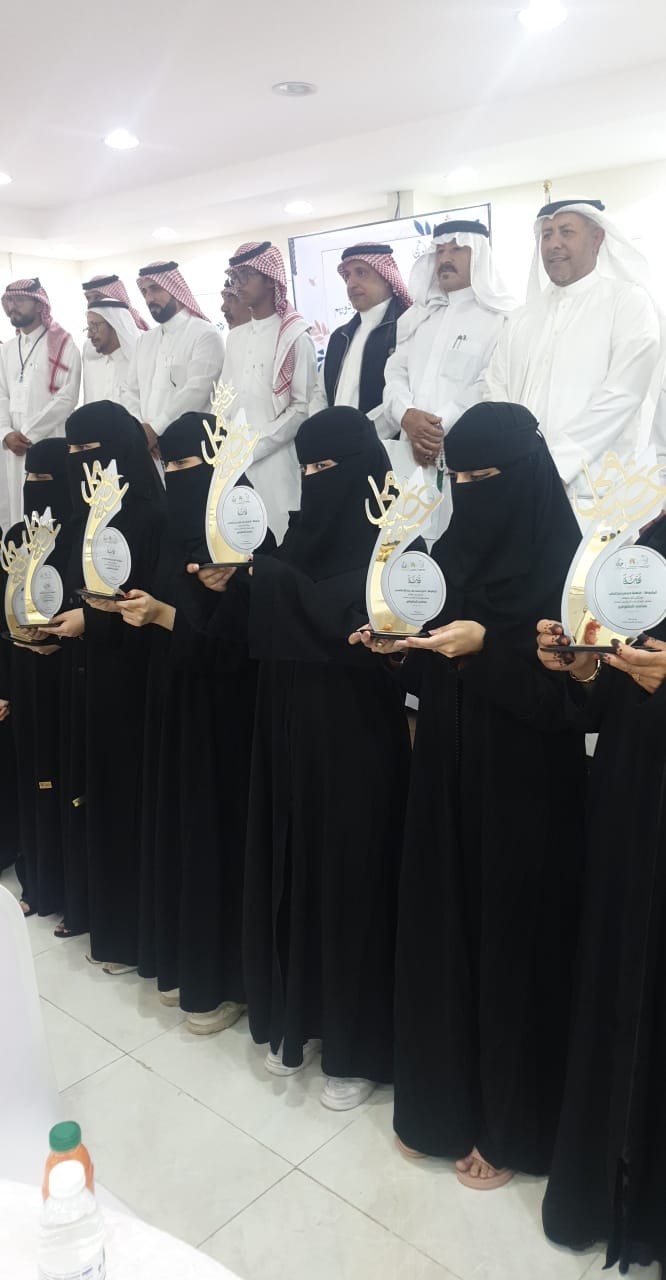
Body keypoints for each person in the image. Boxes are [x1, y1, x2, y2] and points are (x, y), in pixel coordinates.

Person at [355, 402, 587, 1183]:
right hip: (447, 771)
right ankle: (440, 1105)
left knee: (512, 942)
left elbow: (572, 706)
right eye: (462, 478)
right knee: (442, 927)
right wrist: (400, 649)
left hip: (528, 788)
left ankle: (511, 1125)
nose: (474, 491)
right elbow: (433, 659)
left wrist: (488, 649)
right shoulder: (446, 552)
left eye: (489, 477)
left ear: (525, 476)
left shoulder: (570, 570)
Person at [190, 407, 412, 1108]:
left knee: (350, 883)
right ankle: (299, 1019)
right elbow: (252, 637)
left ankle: (356, 1048)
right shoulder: (294, 539)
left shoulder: (398, 548)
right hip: (284, 737)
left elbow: (353, 631)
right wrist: (233, 587)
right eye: (307, 468)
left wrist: (266, 580)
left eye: (328, 468)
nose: (317, 480)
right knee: (290, 871)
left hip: (356, 746)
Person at [536, 527, 666, 1273]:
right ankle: (603, 1186)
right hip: (630, 797)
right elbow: (606, 702)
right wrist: (585, 671)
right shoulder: (647, 543)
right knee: (617, 984)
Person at [128, 411, 268, 1032]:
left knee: (219, 836)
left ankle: (225, 980)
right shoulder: (170, 532)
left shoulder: (249, 538)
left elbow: (239, 649)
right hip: (176, 711)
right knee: (182, 830)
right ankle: (185, 961)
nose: (180, 477)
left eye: (191, 465)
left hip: (226, 722)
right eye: (172, 466)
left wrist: (169, 616)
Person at [50, 401, 165, 969]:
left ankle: (125, 929)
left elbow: (146, 606)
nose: (78, 462)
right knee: (85, 790)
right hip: (85, 675)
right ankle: (91, 907)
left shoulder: (149, 518)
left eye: (88, 451)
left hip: (129, 683)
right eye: (71, 452)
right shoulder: (81, 518)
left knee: (123, 797)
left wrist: (90, 622)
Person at [485, 199, 663, 508]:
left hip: (596, 494)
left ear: (597, 239)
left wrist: (552, 465)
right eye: (547, 234)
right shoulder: (522, 318)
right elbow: (494, 388)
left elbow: (622, 395)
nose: (554, 243)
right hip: (518, 483)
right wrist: (513, 459)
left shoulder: (627, 303)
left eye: (566, 232)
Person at [382, 221, 513, 533]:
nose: (445, 258)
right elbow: (394, 372)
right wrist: (407, 416)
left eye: (457, 249)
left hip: (468, 458)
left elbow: (490, 382)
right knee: (409, 544)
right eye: (440, 251)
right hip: (411, 455)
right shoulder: (419, 317)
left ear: (478, 255)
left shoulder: (501, 318)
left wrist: (433, 429)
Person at [8, 440, 73, 917]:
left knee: (67, 780)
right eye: (28, 477)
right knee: (31, 779)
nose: (33, 486)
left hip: (68, 676)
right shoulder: (16, 537)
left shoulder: (82, 536)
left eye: (44, 478)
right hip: (24, 675)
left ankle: (70, 889)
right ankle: (37, 881)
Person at [223, 241, 316, 542]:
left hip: (278, 463)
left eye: (246, 275)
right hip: (232, 465)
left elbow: (301, 408)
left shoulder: (294, 336)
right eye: (234, 276)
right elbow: (224, 399)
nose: (238, 284)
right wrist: (225, 448)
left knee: (280, 542)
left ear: (270, 278)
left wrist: (253, 448)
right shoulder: (234, 338)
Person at [309, 243, 411, 439]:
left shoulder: (405, 329)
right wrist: (322, 432)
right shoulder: (340, 337)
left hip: (383, 448)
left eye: (361, 273)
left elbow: (403, 398)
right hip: (335, 447)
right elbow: (321, 394)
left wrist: (358, 438)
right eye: (348, 276)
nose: (351, 284)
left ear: (387, 278)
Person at [0, 279, 81, 524]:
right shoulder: (7, 349)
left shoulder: (63, 344)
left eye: (19, 300)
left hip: (48, 441)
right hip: (12, 447)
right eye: (9, 301)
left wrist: (27, 434)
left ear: (39, 305)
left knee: (48, 513)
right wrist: (6, 433)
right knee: (15, 510)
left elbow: (67, 397)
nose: (12, 307)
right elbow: (1, 394)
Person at [124, 261, 225, 452]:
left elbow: (197, 392)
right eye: (144, 291)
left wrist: (155, 430)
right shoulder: (144, 340)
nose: (149, 298)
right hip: (146, 448)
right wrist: (141, 431)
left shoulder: (205, 334)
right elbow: (130, 391)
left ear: (174, 289)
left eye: (155, 288)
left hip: (189, 446)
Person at [83, 300, 138, 405]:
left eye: (94, 327)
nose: (89, 335)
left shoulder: (138, 366)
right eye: (88, 328)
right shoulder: (95, 368)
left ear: (114, 325)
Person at [81, 273, 148, 330]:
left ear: (114, 298)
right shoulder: (93, 334)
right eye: (88, 298)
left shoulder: (136, 330)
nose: (90, 304)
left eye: (97, 298)